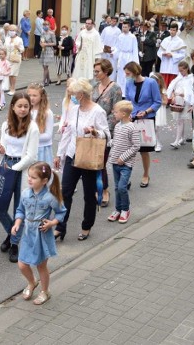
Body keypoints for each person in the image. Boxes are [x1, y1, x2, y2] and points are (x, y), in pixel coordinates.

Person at [54, 78, 110, 241]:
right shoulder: (74, 109)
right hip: (73, 154)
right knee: (65, 192)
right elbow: (68, 133)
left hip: (88, 156)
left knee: (88, 194)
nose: (71, 96)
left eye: (73, 93)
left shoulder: (97, 111)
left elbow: (107, 135)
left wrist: (94, 131)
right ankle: (60, 227)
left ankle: (87, 225)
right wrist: (59, 154)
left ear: (81, 94)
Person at [11, 162, 66, 306]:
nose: (29, 179)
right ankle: (32, 282)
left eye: (34, 178)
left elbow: (61, 212)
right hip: (28, 234)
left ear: (44, 181)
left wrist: (52, 223)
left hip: (42, 235)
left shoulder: (50, 197)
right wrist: (17, 223)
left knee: (41, 266)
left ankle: (45, 291)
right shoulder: (25, 194)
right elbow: (20, 210)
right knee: (22, 264)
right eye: (29, 176)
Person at [0, 93, 40, 263]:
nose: (22, 109)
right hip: (6, 165)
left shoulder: (32, 128)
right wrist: (1, 149)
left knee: (19, 210)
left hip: (21, 169)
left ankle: (14, 244)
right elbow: (4, 146)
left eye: (26, 106)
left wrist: (14, 168)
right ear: (12, 106)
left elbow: (32, 156)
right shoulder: (5, 125)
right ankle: (11, 233)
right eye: (19, 106)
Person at [124, 62, 162, 186]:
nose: (126, 76)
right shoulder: (129, 83)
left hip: (146, 118)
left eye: (128, 73)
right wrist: (127, 113)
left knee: (143, 150)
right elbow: (128, 101)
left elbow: (157, 102)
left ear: (135, 72)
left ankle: (146, 174)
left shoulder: (151, 82)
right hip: (132, 117)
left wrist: (146, 111)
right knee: (129, 149)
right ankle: (126, 177)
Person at [92, 59, 122, 206]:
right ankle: (94, 187)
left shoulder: (115, 88)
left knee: (101, 162)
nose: (95, 74)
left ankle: (104, 190)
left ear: (106, 72)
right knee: (91, 161)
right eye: (95, 71)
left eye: (98, 71)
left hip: (105, 131)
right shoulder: (94, 86)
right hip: (90, 131)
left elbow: (116, 112)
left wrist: (102, 128)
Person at [106, 100, 141, 224]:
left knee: (122, 187)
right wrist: (107, 142)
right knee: (116, 187)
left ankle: (125, 210)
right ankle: (117, 209)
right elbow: (116, 141)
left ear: (124, 114)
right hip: (115, 162)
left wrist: (123, 158)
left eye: (116, 112)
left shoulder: (132, 127)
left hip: (125, 164)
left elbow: (136, 145)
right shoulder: (117, 126)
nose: (113, 113)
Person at [166, 61, 194, 148]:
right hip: (177, 101)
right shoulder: (178, 78)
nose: (181, 72)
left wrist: (185, 95)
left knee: (180, 121)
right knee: (179, 120)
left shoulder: (191, 78)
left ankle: (177, 140)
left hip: (186, 101)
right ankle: (181, 138)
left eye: (182, 70)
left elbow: (192, 91)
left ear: (186, 69)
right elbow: (173, 88)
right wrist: (173, 96)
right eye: (179, 71)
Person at [28, 83, 54, 165]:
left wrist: (30, 137)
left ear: (42, 97)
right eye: (29, 95)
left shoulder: (47, 113)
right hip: (28, 149)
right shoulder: (26, 111)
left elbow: (48, 135)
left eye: (34, 96)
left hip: (42, 149)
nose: (31, 98)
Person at [157, 22, 187, 88]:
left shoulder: (180, 41)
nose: (172, 32)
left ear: (176, 31)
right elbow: (159, 52)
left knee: (171, 84)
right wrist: (163, 54)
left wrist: (172, 55)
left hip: (173, 66)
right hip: (165, 65)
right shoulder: (165, 39)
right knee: (163, 84)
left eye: (174, 30)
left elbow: (182, 54)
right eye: (171, 30)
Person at [113, 22, 139, 91]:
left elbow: (135, 50)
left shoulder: (132, 37)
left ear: (129, 28)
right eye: (123, 27)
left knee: (128, 73)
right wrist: (114, 53)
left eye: (125, 27)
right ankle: (120, 90)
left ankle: (128, 90)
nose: (124, 29)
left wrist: (135, 61)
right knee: (120, 73)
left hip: (129, 56)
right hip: (121, 56)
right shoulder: (120, 36)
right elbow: (117, 47)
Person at [149, 72, 167, 152]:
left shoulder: (162, 90)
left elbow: (165, 102)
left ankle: (158, 143)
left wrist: (158, 101)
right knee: (152, 127)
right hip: (151, 109)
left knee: (156, 128)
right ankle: (154, 142)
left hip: (159, 110)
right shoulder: (150, 89)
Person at [4, 24, 25, 95]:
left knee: (13, 74)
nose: (11, 31)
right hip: (8, 59)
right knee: (10, 74)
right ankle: (10, 88)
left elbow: (22, 50)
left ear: (16, 31)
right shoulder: (7, 39)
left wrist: (18, 47)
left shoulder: (19, 39)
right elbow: (4, 48)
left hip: (15, 59)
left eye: (13, 30)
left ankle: (13, 89)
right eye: (10, 30)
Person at [39, 21, 56, 85]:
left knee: (46, 66)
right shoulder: (42, 33)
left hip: (49, 50)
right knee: (44, 66)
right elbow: (40, 41)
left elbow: (54, 43)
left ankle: (43, 81)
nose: (45, 26)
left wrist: (46, 44)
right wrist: (41, 44)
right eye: (44, 25)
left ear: (49, 25)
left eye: (46, 25)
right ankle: (48, 79)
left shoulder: (52, 33)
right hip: (43, 50)